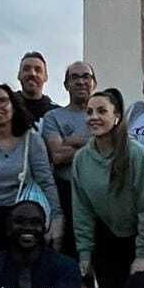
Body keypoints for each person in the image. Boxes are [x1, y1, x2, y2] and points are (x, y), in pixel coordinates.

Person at [71, 88, 144, 288]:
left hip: (138, 241)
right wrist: (85, 253)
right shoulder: (81, 159)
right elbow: (82, 211)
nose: (94, 117)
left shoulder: (136, 154)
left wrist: (142, 254)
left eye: (102, 111)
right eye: (90, 112)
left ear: (117, 116)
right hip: (106, 241)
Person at [0, 83, 63, 263]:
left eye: (3, 101)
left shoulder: (31, 139)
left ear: (13, 105)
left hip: (28, 218)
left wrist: (57, 219)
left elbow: (46, 181)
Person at [43, 61, 98, 258]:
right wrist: (95, 143)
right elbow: (58, 156)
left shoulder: (105, 115)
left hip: (99, 194)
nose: (81, 82)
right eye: (75, 77)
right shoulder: (53, 117)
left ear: (94, 83)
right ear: (66, 85)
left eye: (86, 77)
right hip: (66, 194)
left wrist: (75, 141)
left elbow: (113, 150)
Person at [17, 51, 56, 122]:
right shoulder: (4, 107)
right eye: (26, 69)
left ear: (45, 77)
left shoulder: (57, 114)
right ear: (19, 75)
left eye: (38, 70)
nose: (32, 74)